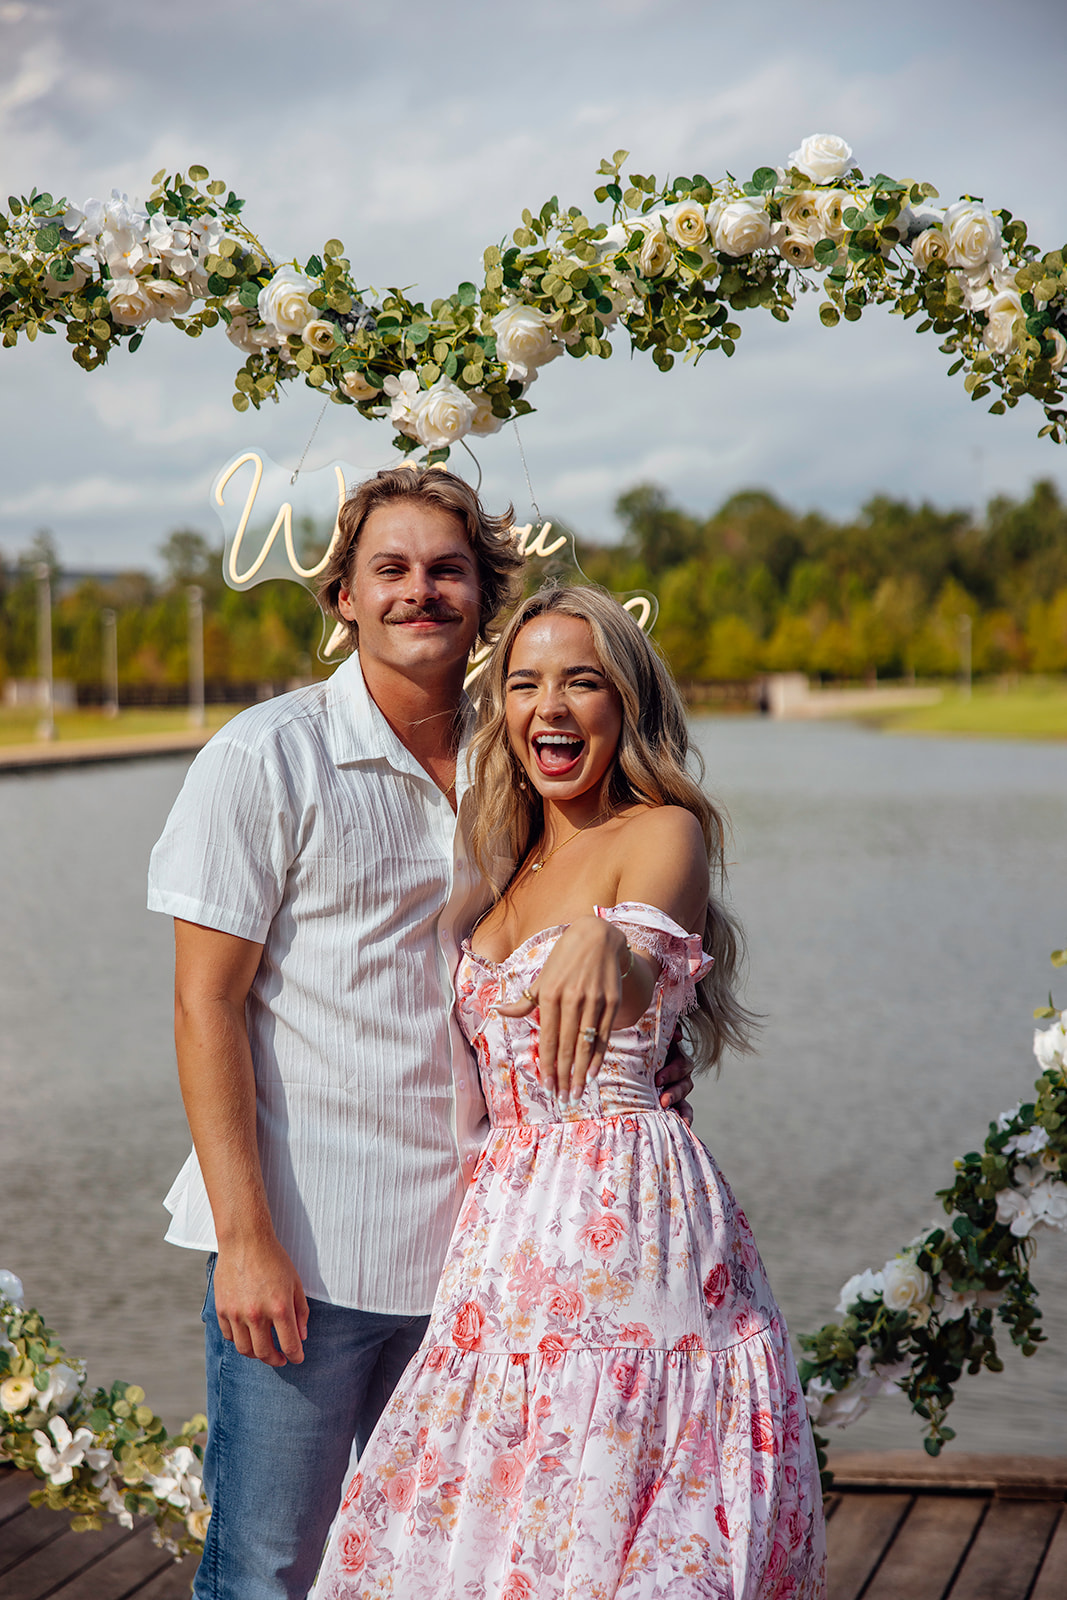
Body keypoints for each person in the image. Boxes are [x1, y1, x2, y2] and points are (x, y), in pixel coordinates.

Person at [147, 467, 694, 1600]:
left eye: (447, 570)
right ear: (340, 594)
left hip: (483, 1264)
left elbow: (625, 896)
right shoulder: (265, 758)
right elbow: (205, 1004)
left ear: (483, 595)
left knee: (431, 1568)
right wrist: (244, 1240)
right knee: (267, 1567)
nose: (419, 591)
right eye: (388, 569)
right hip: (308, 1249)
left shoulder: (515, 769)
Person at [312, 584, 827, 1599]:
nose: (549, 705)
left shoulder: (661, 829)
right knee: (496, 1531)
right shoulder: (498, 866)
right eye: (524, 681)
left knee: (622, 1518)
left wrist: (608, 941)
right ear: (500, 707)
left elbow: (646, 953)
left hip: (625, 1223)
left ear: (624, 702)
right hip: (500, 1237)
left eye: (580, 680)